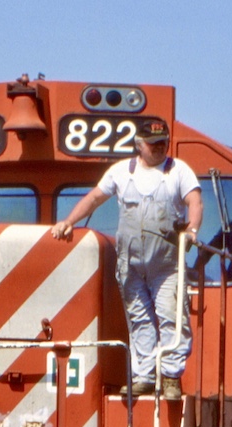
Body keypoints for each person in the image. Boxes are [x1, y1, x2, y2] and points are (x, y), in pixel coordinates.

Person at [51, 118, 203, 399]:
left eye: (163, 143)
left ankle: (170, 376)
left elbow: (195, 200)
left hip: (167, 265)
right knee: (139, 318)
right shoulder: (122, 172)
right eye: (153, 144)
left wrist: (192, 230)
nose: (159, 148)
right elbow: (95, 197)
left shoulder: (178, 171)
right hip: (130, 263)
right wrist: (69, 221)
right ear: (139, 145)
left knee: (172, 317)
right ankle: (144, 375)